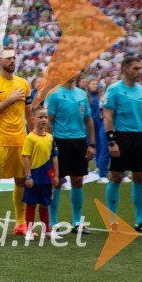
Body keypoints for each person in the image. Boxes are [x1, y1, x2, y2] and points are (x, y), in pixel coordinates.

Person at [0, 48, 33, 238]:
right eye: (8, 58)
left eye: (14, 57)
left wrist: (34, 136)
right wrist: (10, 99)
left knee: (21, 181)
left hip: (21, 140)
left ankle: (20, 223)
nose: (12, 60)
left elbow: (29, 113)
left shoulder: (23, 83)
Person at [103, 56, 142, 232]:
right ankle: (112, 220)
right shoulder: (114, 90)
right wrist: (112, 141)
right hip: (121, 137)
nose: (139, 72)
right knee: (116, 176)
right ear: (125, 69)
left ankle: (141, 220)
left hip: (139, 137)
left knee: (140, 176)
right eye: (135, 68)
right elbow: (108, 116)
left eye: (140, 68)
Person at [45, 77, 95, 234]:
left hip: (79, 141)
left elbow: (88, 120)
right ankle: (53, 222)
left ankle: (77, 222)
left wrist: (92, 144)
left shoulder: (81, 94)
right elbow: (48, 121)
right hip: (60, 141)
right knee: (57, 180)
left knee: (78, 179)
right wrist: (50, 144)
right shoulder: (54, 95)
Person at [21, 108, 59, 241]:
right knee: (31, 203)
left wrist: (56, 175)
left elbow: (54, 157)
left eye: (46, 117)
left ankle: (46, 231)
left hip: (47, 177)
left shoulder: (50, 137)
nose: (44, 120)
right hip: (34, 177)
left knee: (44, 203)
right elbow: (25, 157)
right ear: (33, 119)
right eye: (40, 117)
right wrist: (28, 176)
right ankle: (29, 231)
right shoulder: (30, 138)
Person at [86, 79, 110, 183]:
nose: (95, 85)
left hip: (100, 123)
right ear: (89, 86)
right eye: (93, 83)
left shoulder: (102, 97)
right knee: (87, 145)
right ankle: (85, 167)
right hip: (89, 124)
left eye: (96, 83)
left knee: (101, 146)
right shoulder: (86, 97)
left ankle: (99, 167)